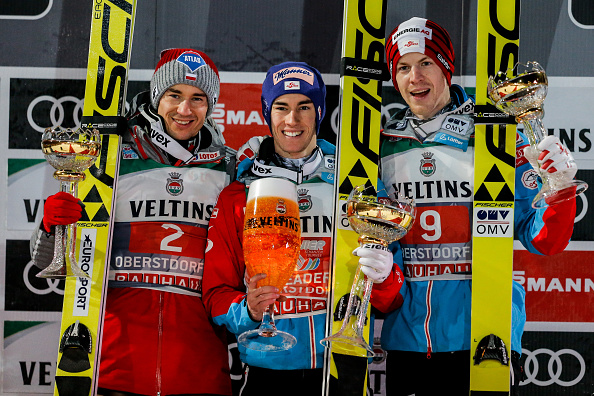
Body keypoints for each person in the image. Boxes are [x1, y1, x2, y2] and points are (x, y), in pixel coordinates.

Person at [379, 17, 578, 396]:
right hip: (406, 339)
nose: (414, 78)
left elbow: (543, 240)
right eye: (403, 67)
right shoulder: (382, 146)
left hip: (485, 336)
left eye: (425, 63)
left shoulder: (493, 134)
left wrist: (559, 189)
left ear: (447, 67)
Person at [30, 48, 235, 396]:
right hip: (115, 369)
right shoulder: (109, 157)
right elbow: (46, 261)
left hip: (199, 372)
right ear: (157, 95)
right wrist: (53, 227)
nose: (185, 110)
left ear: (210, 103)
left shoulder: (227, 169)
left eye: (198, 98)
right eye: (175, 95)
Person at [202, 61, 404, 395]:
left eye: (304, 107)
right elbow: (216, 294)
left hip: (341, 366)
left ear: (319, 112)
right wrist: (248, 311)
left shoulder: (355, 185)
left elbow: (391, 298)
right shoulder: (240, 193)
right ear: (268, 113)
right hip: (268, 369)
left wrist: (384, 278)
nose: (292, 120)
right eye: (281, 107)